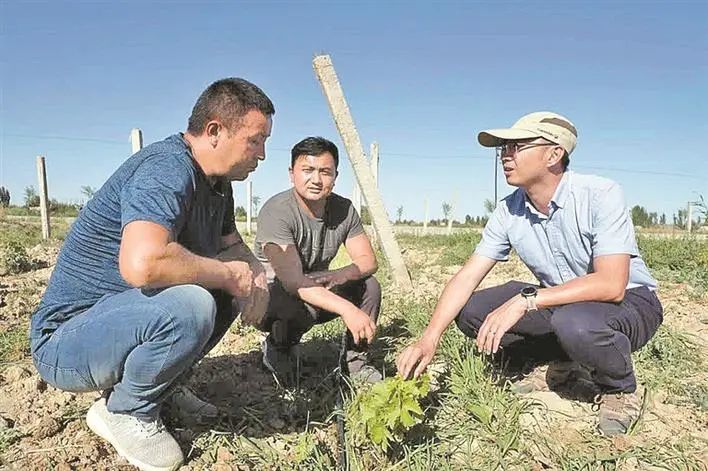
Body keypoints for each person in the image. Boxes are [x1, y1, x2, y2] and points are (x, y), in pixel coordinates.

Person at [30, 78, 274, 471]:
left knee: (228, 285)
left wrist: (254, 273)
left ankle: (159, 387)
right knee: (194, 301)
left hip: (117, 323)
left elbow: (232, 245)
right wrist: (230, 274)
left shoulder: (217, 185)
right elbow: (143, 265)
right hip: (66, 342)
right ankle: (126, 411)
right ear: (214, 131)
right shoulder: (166, 168)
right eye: (255, 140)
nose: (262, 154)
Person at [396, 112, 663, 436]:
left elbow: (612, 285)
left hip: (631, 303)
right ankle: (561, 360)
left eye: (517, 145)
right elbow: (468, 276)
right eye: (503, 148)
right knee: (471, 311)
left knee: (574, 322)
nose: (505, 154)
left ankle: (619, 388)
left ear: (554, 154)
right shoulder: (509, 209)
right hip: (561, 300)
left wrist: (526, 301)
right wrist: (429, 338)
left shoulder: (600, 194)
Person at [253, 136, 382, 384]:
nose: (316, 179)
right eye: (307, 170)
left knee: (370, 285)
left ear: (335, 176)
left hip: (315, 290)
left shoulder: (343, 209)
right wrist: (347, 309)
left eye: (325, 171)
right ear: (292, 173)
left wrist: (339, 275)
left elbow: (368, 260)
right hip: (270, 298)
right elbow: (293, 283)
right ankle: (277, 348)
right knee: (296, 302)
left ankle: (356, 364)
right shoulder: (277, 210)